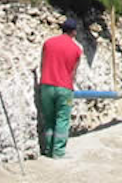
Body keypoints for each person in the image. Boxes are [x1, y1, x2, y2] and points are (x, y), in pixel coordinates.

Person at [39, 17, 83, 158]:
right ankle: (58, 152)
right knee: (62, 120)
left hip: (46, 85)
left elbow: (42, 63)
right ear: (74, 32)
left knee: (49, 119)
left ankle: (47, 149)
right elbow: (73, 72)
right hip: (64, 88)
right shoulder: (76, 49)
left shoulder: (48, 43)